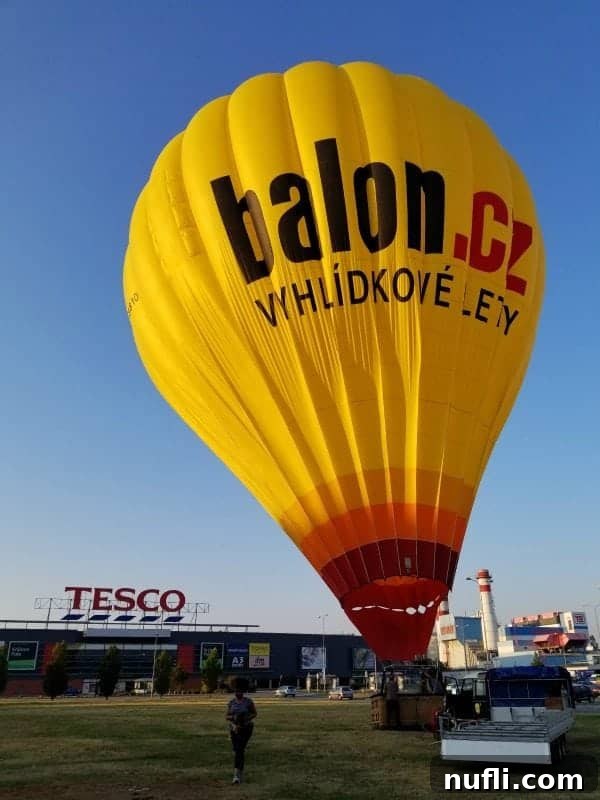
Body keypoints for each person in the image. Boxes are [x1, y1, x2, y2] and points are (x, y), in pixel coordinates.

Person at [226, 678, 257, 785]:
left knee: (240, 750)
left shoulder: (248, 702)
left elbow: (254, 713)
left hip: (246, 729)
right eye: (236, 691)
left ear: (243, 691)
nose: (237, 693)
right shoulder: (231, 703)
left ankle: (236, 776)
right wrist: (233, 719)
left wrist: (246, 718)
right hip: (234, 729)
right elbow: (227, 716)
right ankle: (239, 771)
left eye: (239, 691)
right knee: (237, 750)